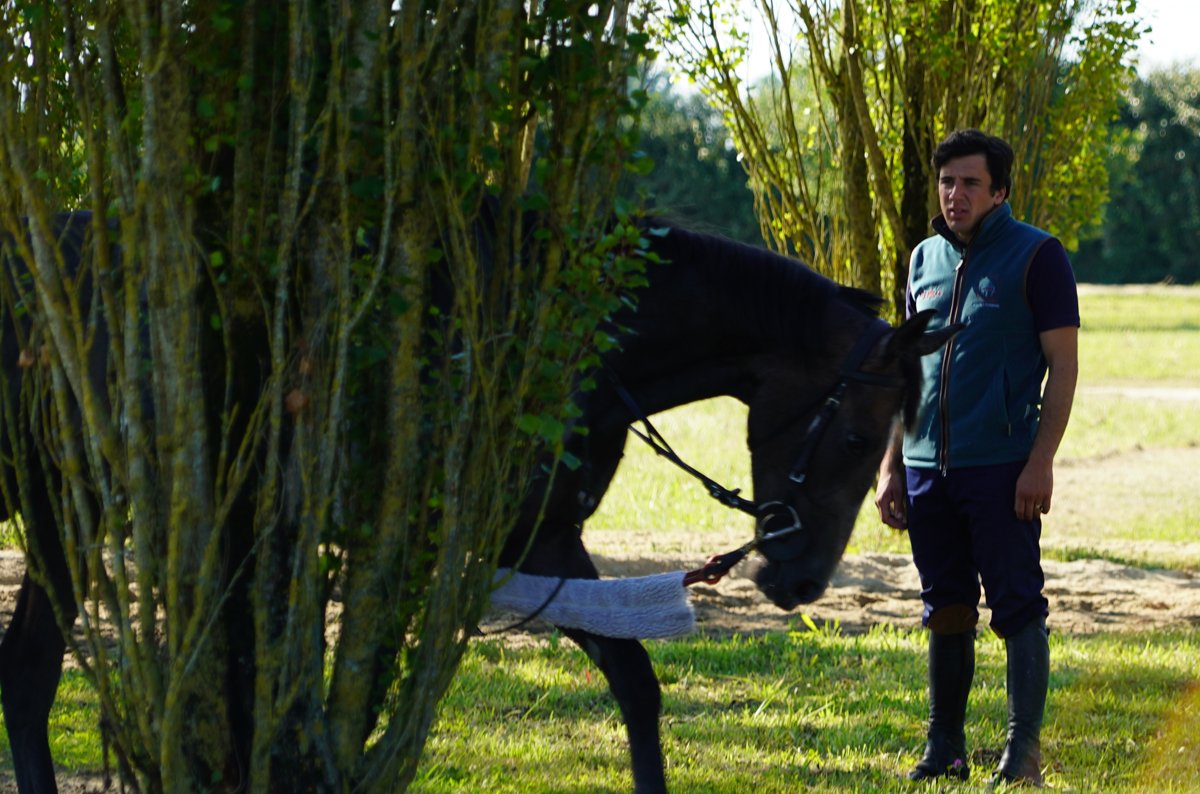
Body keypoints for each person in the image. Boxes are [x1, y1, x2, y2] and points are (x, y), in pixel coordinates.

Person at [874, 129, 1079, 787]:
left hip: (1002, 466)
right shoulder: (923, 259)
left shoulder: (1038, 256)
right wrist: (891, 466)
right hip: (926, 468)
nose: (954, 194)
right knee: (946, 605)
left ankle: (1022, 756)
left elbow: (1064, 366)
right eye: (947, 182)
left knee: (1017, 604)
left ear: (999, 191)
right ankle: (946, 750)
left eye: (969, 183)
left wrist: (1040, 461)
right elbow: (907, 369)